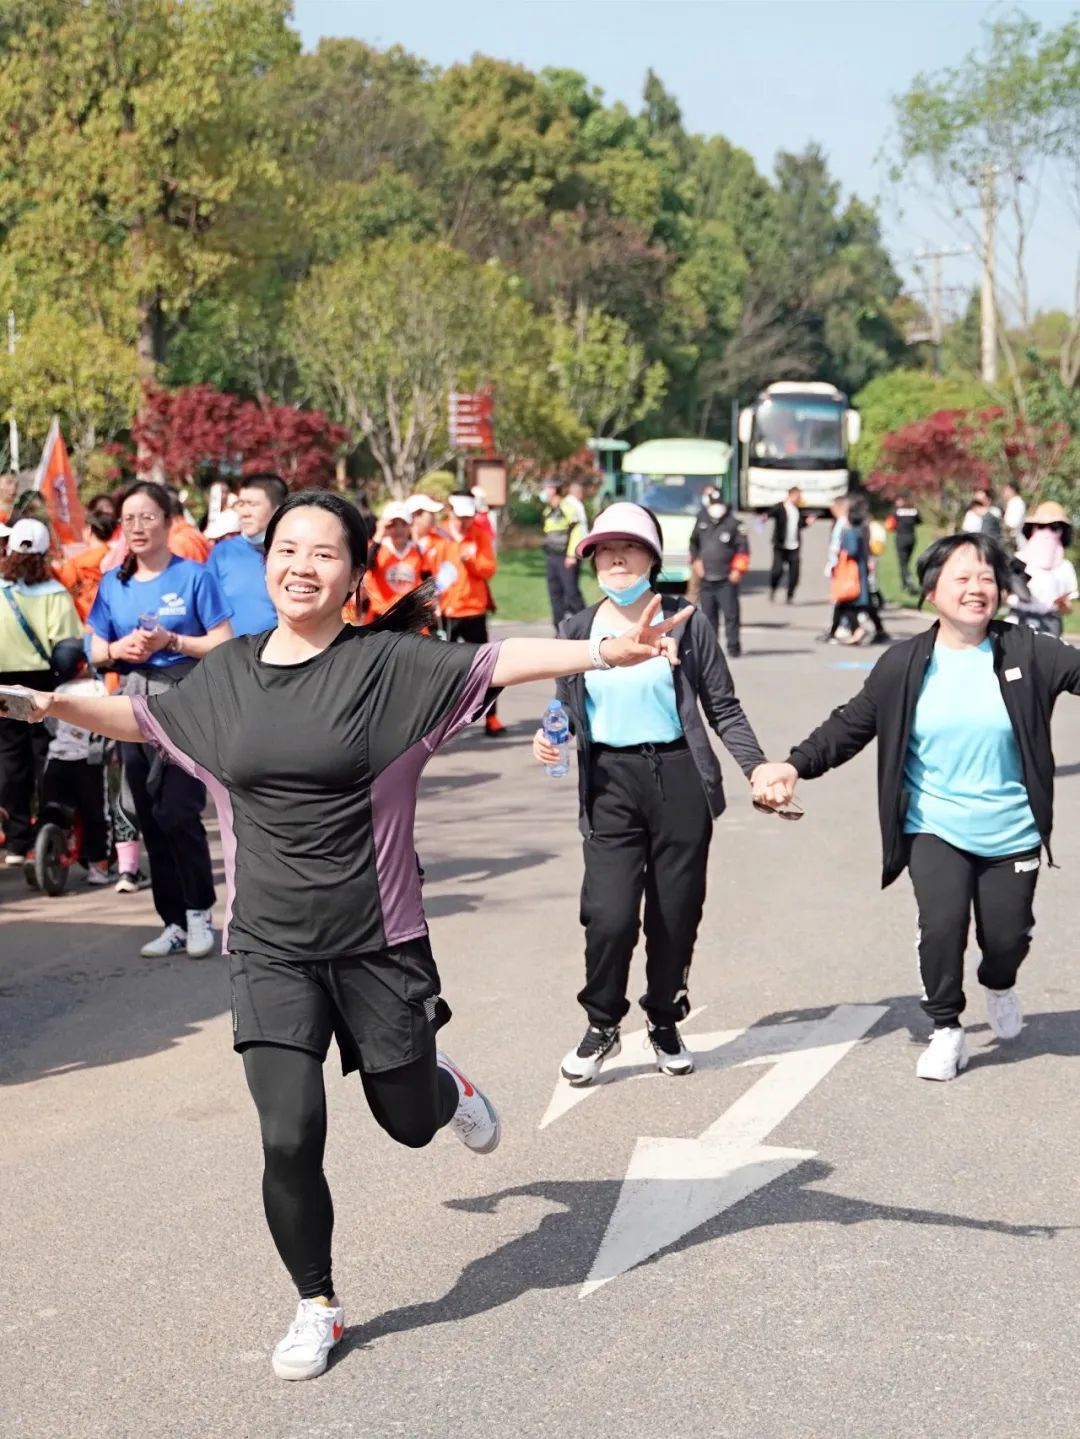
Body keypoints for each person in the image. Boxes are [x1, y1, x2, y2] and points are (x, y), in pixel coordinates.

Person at [2, 487, 693, 1382]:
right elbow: (143, 717)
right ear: (265, 562)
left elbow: (502, 659)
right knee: (288, 1133)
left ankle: (441, 1085)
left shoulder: (390, 666)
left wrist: (604, 648)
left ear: (356, 572)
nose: (301, 566)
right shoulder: (228, 674)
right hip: (268, 947)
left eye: (324, 552)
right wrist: (48, 706)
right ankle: (316, 1301)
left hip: (378, 941)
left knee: (407, 1121)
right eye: (287, 549)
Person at [752, 531, 1080, 1081]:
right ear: (931, 592)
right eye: (962, 578)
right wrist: (793, 765)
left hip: (1012, 828)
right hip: (934, 823)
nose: (976, 588)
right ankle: (946, 1028)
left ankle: (999, 982)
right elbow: (850, 724)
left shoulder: (1028, 651)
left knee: (1006, 937)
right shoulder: (904, 664)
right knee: (942, 924)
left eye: (986, 578)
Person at [533, 502, 771, 1084]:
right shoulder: (577, 628)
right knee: (609, 915)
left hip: (678, 778)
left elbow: (723, 706)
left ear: (653, 559)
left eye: (630, 549)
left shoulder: (687, 622)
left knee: (675, 914)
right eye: (605, 551)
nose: (616, 560)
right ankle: (602, 1022)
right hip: (609, 783)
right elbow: (565, 703)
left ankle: (664, 1017)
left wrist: (757, 766)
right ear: (592, 561)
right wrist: (550, 732)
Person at [87, 481, 233, 958]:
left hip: (185, 699)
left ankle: (199, 913)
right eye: (128, 519)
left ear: (169, 522)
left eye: (147, 517)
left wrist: (173, 641)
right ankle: (172, 922)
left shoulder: (194, 577)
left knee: (178, 810)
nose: (137, 527)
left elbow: (223, 641)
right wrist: (119, 648)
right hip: (132, 702)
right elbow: (96, 648)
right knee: (148, 814)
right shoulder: (114, 582)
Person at [0, 518, 82, 864]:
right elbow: (68, 645)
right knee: (43, 755)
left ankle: (16, 840)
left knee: (10, 757)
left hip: (3, 682)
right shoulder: (55, 593)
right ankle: (45, 831)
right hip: (40, 683)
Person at [428, 490, 504, 736]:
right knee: (442, 670)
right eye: (460, 516)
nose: (464, 521)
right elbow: (427, 569)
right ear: (450, 512)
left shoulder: (479, 536)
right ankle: (437, 724)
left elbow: (489, 569)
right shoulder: (437, 535)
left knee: (485, 668)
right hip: (445, 613)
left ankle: (491, 717)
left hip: (473, 611)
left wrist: (470, 560)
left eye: (468, 517)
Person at [40, 638, 111, 884]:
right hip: (88, 762)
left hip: (57, 760)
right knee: (95, 815)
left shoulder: (58, 692)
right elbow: (108, 721)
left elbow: (51, 725)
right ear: (83, 664)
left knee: (51, 810)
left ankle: (41, 852)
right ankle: (98, 867)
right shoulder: (98, 689)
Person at [207, 473, 286, 637]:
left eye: (253, 504)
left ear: (277, 509)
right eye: (241, 504)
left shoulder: (294, 553)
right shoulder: (222, 552)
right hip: (233, 649)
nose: (244, 512)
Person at [689, 487, 749, 657]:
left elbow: (743, 550)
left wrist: (738, 570)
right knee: (708, 617)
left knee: (731, 615)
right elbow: (693, 543)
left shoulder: (734, 523)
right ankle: (711, 650)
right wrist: (696, 561)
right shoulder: (702, 520)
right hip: (706, 578)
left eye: (718, 503)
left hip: (726, 579)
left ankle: (733, 647)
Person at [1010, 500, 1078, 638]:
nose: (1047, 532)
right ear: (1032, 529)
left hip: (1049, 627)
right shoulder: (1019, 560)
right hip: (1018, 623)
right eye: (1041, 526)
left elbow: (1068, 607)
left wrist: (1062, 605)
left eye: (1054, 527)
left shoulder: (1065, 567)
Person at [361, 501, 429, 620]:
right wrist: (379, 534)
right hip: (382, 616)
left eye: (403, 524)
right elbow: (365, 565)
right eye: (393, 525)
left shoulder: (419, 550)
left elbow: (427, 578)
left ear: (410, 526)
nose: (399, 529)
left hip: (409, 617)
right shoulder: (378, 549)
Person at [53, 507, 117, 621]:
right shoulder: (114, 555)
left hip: (85, 614)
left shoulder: (80, 562)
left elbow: (65, 581)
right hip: (109, 612)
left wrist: (55, 567)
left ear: (90, 530)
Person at [540, 479, 587, 630]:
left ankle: (585, 626)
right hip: (552, 556)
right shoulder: (548, 510)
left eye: (546, 488)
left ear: (554, 490)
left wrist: (572, 555)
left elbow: (576, 530)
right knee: (554, 593)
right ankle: (559, 628)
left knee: (571, 593)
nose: (543, 491)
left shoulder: (567, 507)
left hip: (565, 556)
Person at [768, 486, 807, 603]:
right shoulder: (780, 507)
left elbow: (800, 525)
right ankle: (773, 588)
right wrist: (765, 517)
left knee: (794, 573)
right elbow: (771, 513)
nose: (799, 499)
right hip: (780, 545)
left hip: (794, 545)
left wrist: (807, 522)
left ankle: (790, 595)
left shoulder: (797, 510)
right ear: (791, 495)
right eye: (798, 496)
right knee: (777, 570)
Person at [891, 492, 921, 594]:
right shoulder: (914, 510)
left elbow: (891, 522)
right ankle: (904, 584)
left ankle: (909, 582)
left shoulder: (896, 511)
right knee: (906, 562)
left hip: (901, 538)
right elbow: (919, 521)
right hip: (912, 538)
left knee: (903, 563)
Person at [407, 493, 449, 559]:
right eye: (431, 513)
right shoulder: (400, 543)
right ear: (417, 515)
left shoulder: (441, 540)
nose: (435, 517)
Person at [1001, 481, 1027, 549]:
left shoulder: (1017, 503)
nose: (1004, 493)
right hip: (1010, 539)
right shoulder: (1012, 503)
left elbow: (1013, 524)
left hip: (1015, 541)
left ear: (1012, 490)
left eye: (1006, 490)